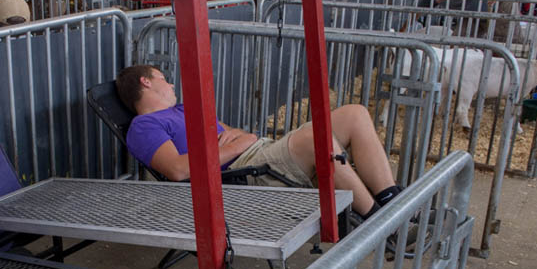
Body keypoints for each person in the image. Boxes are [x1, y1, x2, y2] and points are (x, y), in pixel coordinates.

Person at [116, 64, 403, 222]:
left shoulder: (182, 110)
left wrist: (243, 138)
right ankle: (381, 225)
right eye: (164, 79)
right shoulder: (144, 126)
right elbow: (178, 170)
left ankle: (390, 199)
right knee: (318, 140)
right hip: (240, 174)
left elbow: (235, 131)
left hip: (256, 152)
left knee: (355, 113)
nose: (171, 85)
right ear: (146, 82)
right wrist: (240, 143)